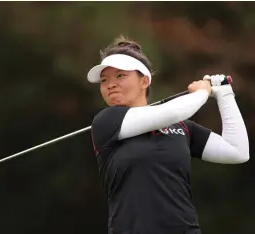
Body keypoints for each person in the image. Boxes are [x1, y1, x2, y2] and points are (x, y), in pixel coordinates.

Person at [87, 35, 249, 234]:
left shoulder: (181, 128)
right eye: (104, 80)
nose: (110, 84)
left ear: (144, 81)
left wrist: (225, 94)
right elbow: (173, 111)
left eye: (120, 76)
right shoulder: (106, 122)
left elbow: (237, 151)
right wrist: (202, 92)